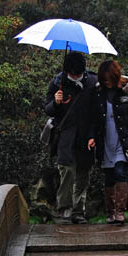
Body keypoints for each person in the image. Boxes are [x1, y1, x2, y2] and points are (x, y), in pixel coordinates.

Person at [88, 59, 128, 224]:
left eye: (109, 79)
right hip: (105, 139)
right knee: (109, 176)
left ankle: (120, 211)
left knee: (120, 171)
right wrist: (91, 137)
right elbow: (93, 119)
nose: (107, 83)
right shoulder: (98, 92)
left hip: (123, 139)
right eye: (104, 80)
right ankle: (111, 212)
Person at [44, 50, 97, 223]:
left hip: (87, 136)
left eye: (78, 74)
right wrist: (55, 102)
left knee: (83, 173)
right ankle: (64, 209)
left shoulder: (93, 82)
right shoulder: (58, 82)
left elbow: (101, 107)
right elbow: (47, 109)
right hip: (65, 136)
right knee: (66, 170)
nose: (76, 77)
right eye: (73, 74)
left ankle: (78, 211)